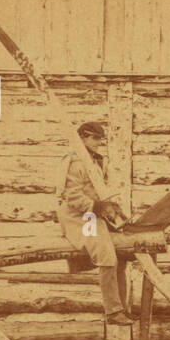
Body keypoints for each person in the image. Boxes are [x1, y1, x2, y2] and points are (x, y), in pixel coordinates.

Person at [57, 121, 135, 325]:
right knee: (106, 254)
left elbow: (100, 191)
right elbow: (72, 198)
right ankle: (112, 312)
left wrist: (112, 208)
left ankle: (122, 307)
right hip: (79, 216)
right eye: (95, 138)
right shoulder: (74, 162)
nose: (99, 143)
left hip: (93, 213)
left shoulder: (93, 161)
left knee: (122, 252)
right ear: (82, 137)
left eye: (100, 139)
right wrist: (99, 207)